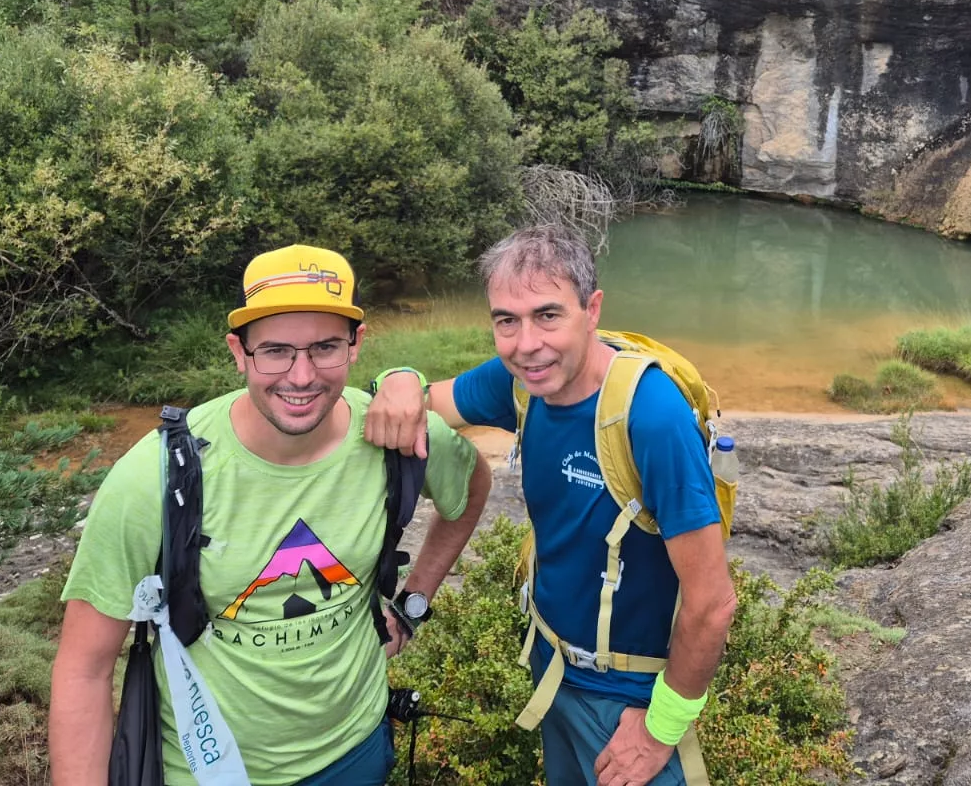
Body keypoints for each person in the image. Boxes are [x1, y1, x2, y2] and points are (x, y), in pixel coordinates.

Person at [49, 244, 491, 786]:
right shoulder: (158, 474)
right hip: (208, 769)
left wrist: (414, 601)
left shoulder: (393, 436)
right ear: (239, 352)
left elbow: (471, 488)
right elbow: (84, 670)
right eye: (275, 351)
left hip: (356, 751)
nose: (301, 377)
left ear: (357, 345)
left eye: (325, 347)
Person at [365, 226, 735, 786]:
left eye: (547, 315)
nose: (525, 343)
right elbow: (427, 400)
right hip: (553, 671)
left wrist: (660, 729)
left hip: (631, 700)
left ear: (592, 309)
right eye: (505, 321)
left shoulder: (649, 416)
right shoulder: (521, 382)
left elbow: (712, 602)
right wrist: (398, 378)